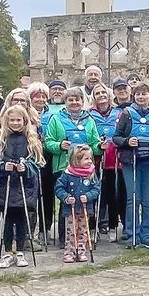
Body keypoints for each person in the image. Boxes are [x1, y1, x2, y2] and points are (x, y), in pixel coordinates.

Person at [0, 106, 44, 268]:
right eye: (12, 120)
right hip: (4, 186)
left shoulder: (32, 138)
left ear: (24, 121)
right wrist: (2, 168)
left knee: (21, 221)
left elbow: (37, 162)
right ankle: (7, 252)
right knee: (6, 220)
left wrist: (25, 168)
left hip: (24, 187)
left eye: (18, 120)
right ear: (6, 121)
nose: (15, 123)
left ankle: (20, 251)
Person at [45, 87, 104, 244]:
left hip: (86, 169)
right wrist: (59, 145)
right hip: (64, 167)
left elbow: (94, 143)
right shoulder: (55, 119)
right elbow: (48, 142)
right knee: (67, 200)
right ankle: (65, 238)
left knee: (86, 200)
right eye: (71, 99)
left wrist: (100, 147)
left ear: (82, 102)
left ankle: (85, 236)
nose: (74, 102)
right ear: (66, 102)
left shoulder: (89, 120)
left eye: (77, 99)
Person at [112, 83, 149, 248]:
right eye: (138, 94)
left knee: (148, 200)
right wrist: (128, 141)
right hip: (131, 162)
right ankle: (132, 234)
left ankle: (148, 234)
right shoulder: (127, 114)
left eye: (144, 94)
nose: (141, 97)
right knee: (133, 198)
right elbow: (116, 138)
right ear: (133, 97)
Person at [56, 144, 101, 262]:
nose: (89, 161)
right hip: (70, 209)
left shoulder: (91, 173)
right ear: (77, 160)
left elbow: (96, 189)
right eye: (86, 159)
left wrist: (88, 196)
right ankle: (69, 252)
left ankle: (81, 252)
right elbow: (59, 188)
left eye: (90, 158)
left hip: (85, 208)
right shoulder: (67, 174)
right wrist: (66, 197)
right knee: (71, 231)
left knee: (83, 232)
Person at [89, 84, 122, 239]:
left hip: (115, 160)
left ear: (109, 95)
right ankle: (95, 226)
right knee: (97, 194)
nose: (101, 95)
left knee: (114, 195)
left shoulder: (119, 113)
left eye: (103, 92)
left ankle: (113, 226)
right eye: (97, 93)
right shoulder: (89, 114)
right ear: (94, 97)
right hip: (97, 160)